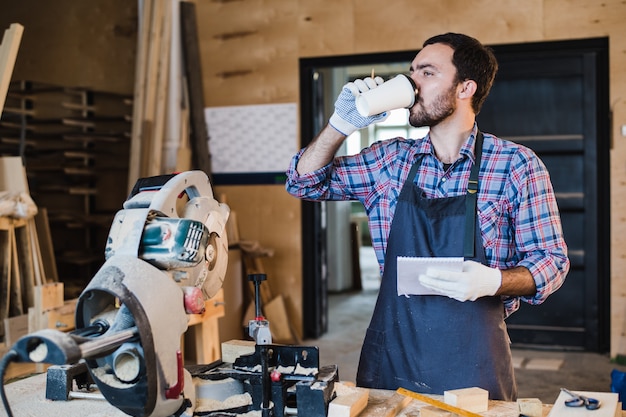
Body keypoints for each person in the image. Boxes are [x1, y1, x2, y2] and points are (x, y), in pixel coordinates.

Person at [285, 33, 569, 401]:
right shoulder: (390, 161)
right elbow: (302, 182)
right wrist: (342, 123)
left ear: (465, 87)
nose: (411, 83)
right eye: (411, 72)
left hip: (474, 364)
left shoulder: (516, 165)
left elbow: (552, 262)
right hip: (393, 355)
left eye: (427, 73)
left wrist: (493, 280)